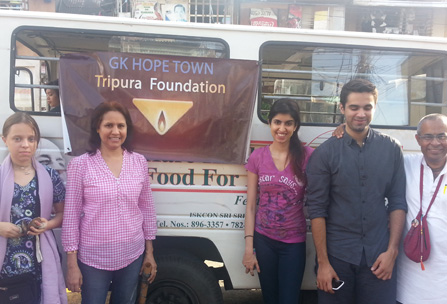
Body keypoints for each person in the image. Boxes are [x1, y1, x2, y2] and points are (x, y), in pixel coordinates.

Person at [306, 78, 407, 304]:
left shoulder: (391, 149)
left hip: (379, 258)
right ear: (342, 108)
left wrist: (392, 252)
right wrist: (323, 263)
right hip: (337, 258)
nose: (361, 113)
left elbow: (398, 201)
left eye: (367, 107)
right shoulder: (324, 154)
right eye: (354, 107)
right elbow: (317, 210)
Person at [62, 101, 157, 304]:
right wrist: (72, 264)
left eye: (120, 126)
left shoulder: (139, 162)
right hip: (93, 259)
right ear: (98, 128)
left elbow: (147, 209)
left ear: (127, 129)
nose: (115, 131)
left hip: (132, 255)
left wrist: (149, 253)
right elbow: (70, 216)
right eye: (108, 125)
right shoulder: (81, 165)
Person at [242, 98, 313, 304]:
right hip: (264, 242)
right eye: (277, 122)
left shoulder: (308, 156)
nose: (282, 128)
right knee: (270, 299)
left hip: (294, 244)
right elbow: (251, 206)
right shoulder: (257, 157)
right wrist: (249, 249)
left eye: (288, 123)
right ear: (270, 123)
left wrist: (341, 130)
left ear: (295, 126)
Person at [0, 112, 67, 304]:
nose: (25, 145)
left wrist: (48, 224)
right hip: (6, 263)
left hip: (40, 262)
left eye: (31, 139)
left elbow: (63, 213)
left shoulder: (49, 175)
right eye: (17, 139)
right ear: (5, 140)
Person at [396, 114, 447, 304]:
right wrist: (346, 130)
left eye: (442, 136)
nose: (435, 143)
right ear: (417, 139)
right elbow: (374, 150)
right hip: (408, 285)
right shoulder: (405, 164)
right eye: (428, 137)